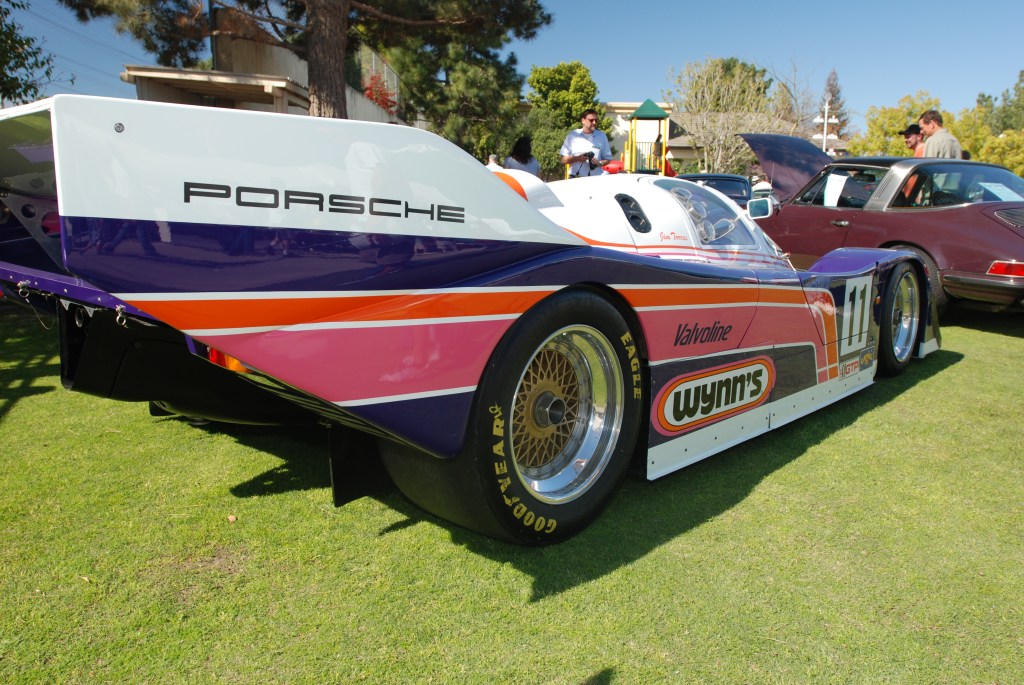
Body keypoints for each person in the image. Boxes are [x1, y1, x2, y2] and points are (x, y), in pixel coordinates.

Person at [560, 109, 612, 177]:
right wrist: (577, 158)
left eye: (596, 120)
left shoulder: (602, 136)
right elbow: (563, 160)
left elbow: (608, 159)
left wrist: (599, 163)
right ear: (583, 121)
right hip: (575, 178)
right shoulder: (573, 135)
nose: (594, 123)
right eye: (591, 120)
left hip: (595, 178)